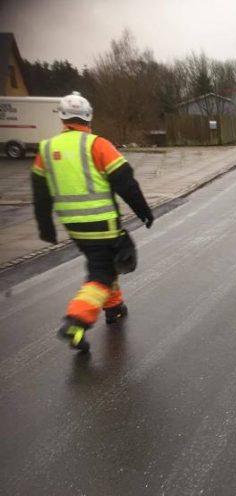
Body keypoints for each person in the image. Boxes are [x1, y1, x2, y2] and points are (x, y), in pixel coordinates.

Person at [31, 91, 154, 352]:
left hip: (75, 228)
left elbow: (40, 195)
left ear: (63, 119)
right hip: (103, 224)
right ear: (88, 118)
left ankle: (114, 309)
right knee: (105, 271)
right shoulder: (97, 144)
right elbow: (125, 181)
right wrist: (144, 211)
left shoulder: (46, 149)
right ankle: (76, 322)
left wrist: (46, 228)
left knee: (102, 262)